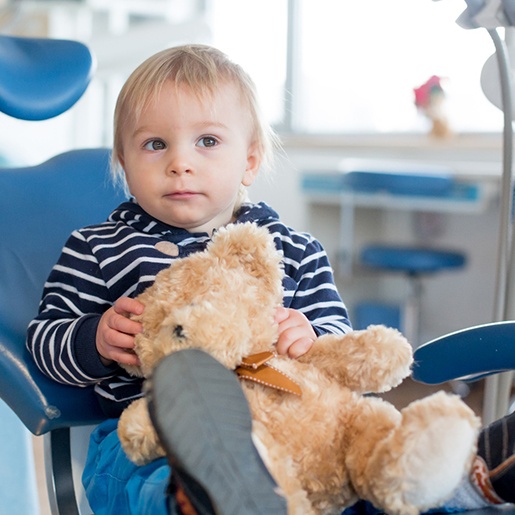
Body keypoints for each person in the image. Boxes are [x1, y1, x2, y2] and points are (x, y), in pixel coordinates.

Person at [26, 44, 513, 515]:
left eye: (208, 141)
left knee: (361, 462)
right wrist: (96, 338)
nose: (180, 162)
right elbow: (45, 343)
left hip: (295, 428)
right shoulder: (98, 247)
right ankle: (201, 496)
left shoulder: (292, 250)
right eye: (155, 144)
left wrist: (310, 337)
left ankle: (465, 482)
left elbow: (338, 345)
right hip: (157, 432)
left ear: (251, 160)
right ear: (123, 163)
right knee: (136, 473)